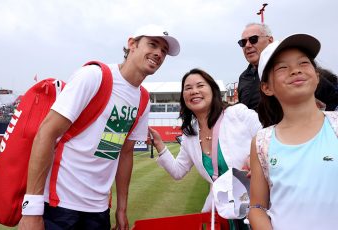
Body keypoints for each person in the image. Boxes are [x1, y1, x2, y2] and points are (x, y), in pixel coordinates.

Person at [18, 24, 180, 230]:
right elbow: (46, 133)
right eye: (153, 44)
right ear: (132, 44)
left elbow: (126, 153)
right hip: (59, 206)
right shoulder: (94, 76)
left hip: (99, 211)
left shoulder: (143, 99)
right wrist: (31, 210)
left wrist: (121, 209)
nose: (158, 53)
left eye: (164, 51)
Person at [149, 68, 261, 229]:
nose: (194, 91)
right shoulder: (190, 134)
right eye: (188, 88)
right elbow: (178, 171)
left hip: (257, 207)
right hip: (222, 214)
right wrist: (159, 144)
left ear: (213, 90)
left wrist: (254, 157)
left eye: (200, 85)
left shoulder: (237, 114)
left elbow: (270, 137)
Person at [249, 34, 338, 229]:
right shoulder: (262, 142)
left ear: (317, 77)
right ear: (266, 87)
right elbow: (257, 206)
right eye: (282, 67)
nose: (296, 70)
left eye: (304, 63)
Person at [237, 23, 274, 110]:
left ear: (270, 40)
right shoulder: (243, 77)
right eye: (243, 42)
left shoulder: (283, 69)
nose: (247, 45)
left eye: (253, 39)